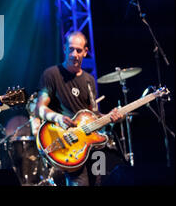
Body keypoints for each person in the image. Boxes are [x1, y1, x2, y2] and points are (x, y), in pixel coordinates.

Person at [34, 31, 123, 186]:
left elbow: (94, 114)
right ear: (64, 49)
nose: (74, 54)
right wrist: (58, 118)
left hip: (93, 145)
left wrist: (110, 117)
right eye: (71, 49)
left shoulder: (89, 80)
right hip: (70, 144)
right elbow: (40, 108)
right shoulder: (51, 74)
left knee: (98, 181)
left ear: (85, 52)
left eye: (79, 50)